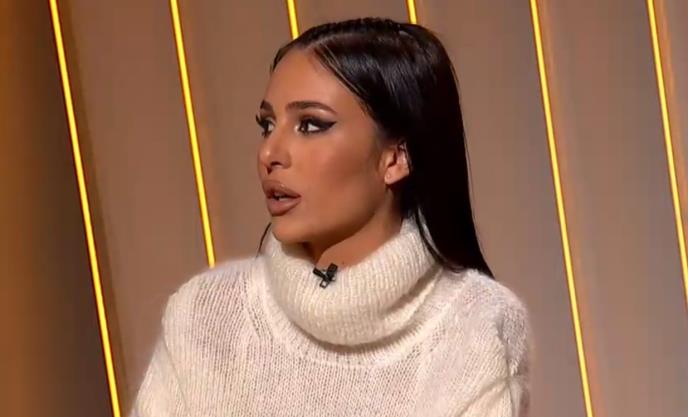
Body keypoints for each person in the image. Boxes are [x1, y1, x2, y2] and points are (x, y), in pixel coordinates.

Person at [131, 17, 533, 417]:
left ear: (397, 158)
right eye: (267, 125)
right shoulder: (203, 315)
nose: (270, 153)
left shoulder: (476, 325)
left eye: (310, 125)